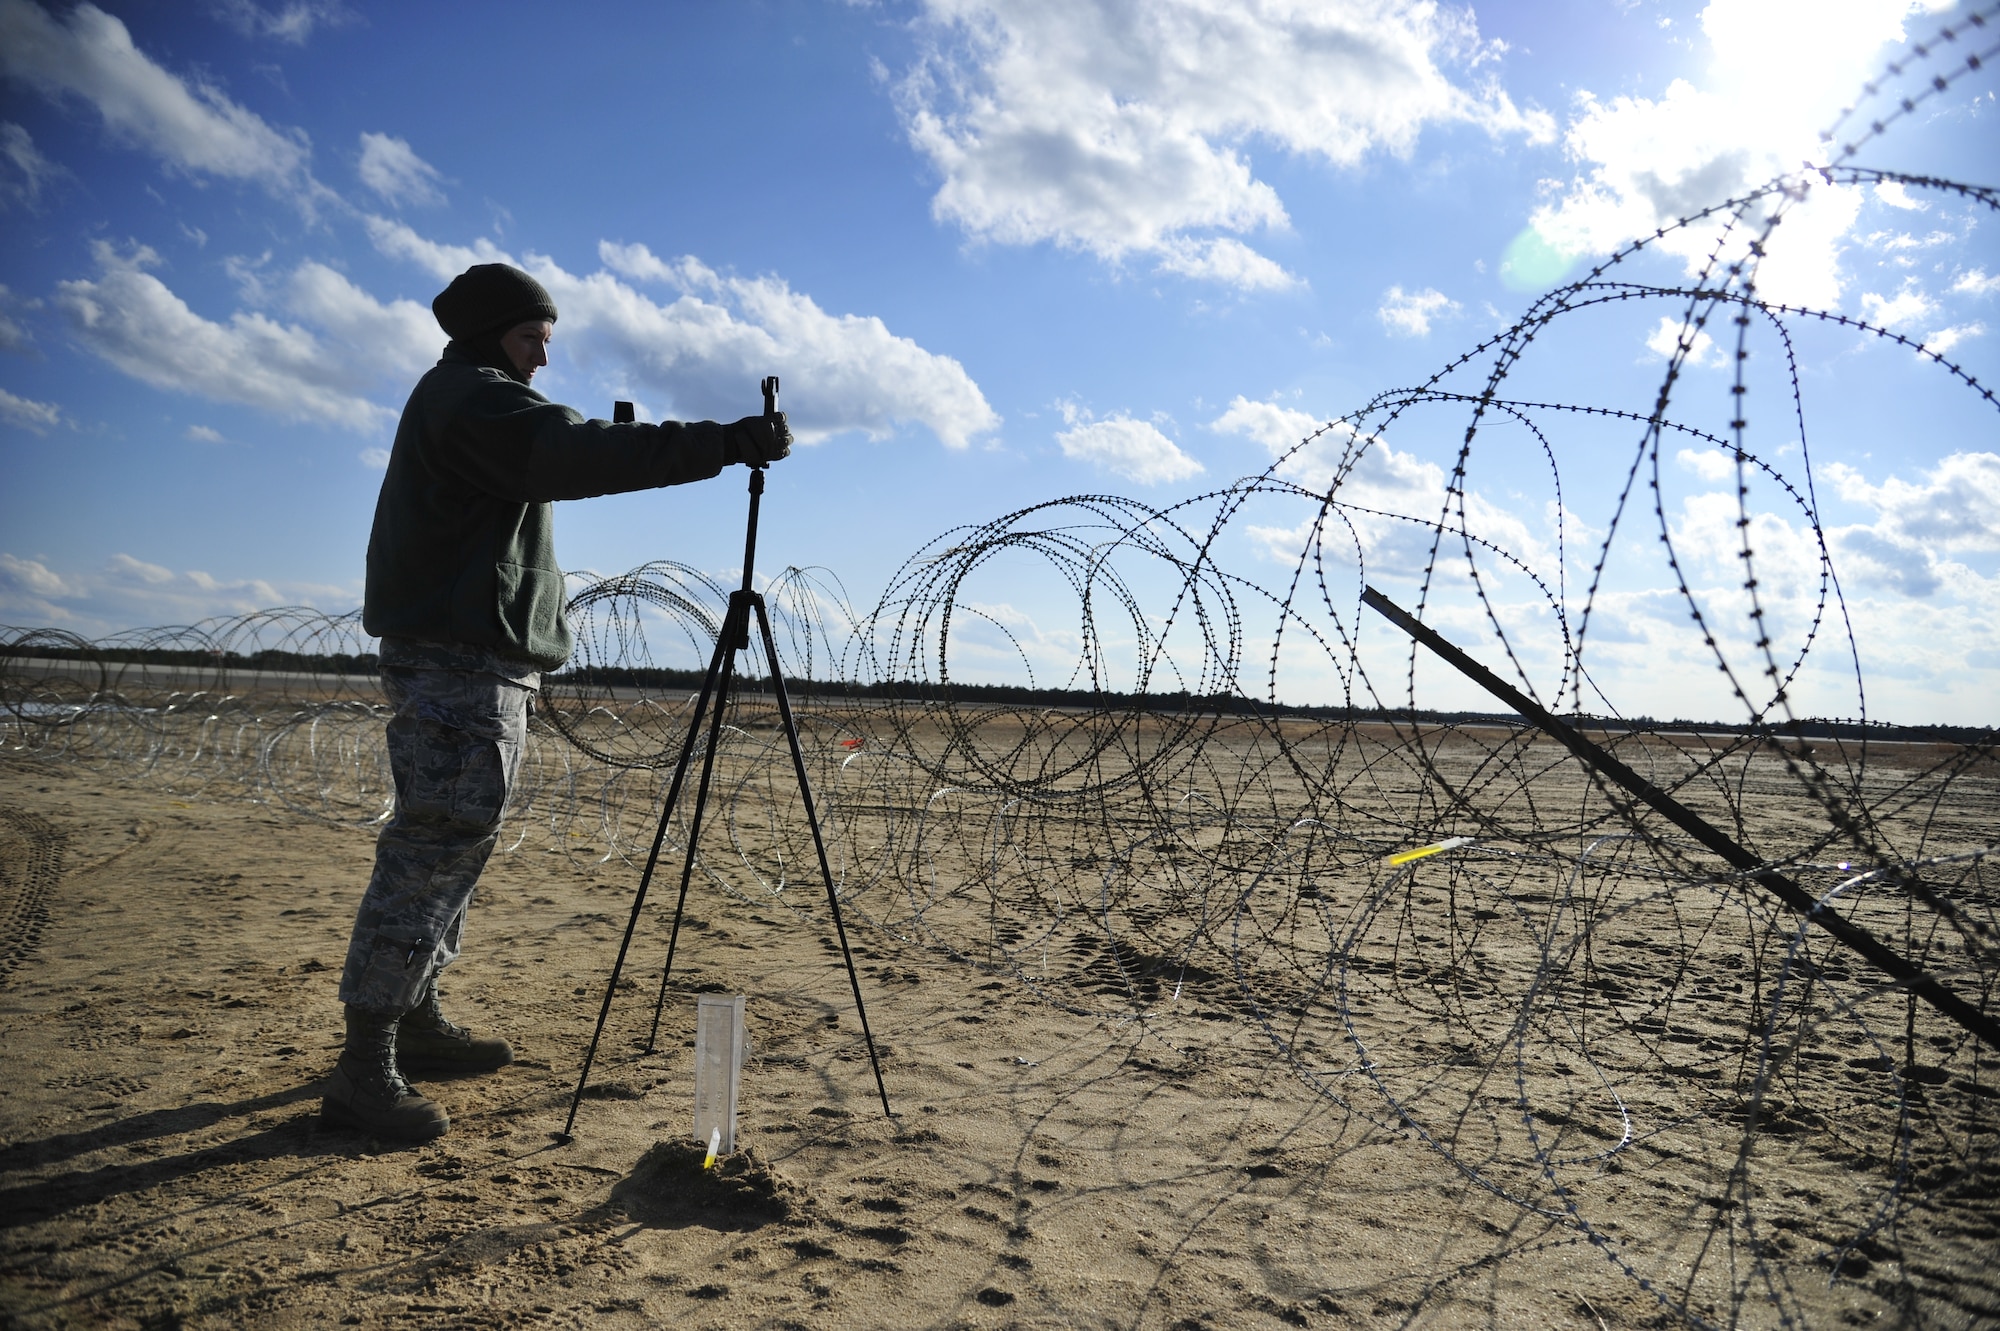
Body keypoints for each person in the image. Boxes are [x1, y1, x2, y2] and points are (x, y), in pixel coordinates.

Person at [323, 262, 790, 1141]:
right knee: (432, 845)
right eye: (533, 337)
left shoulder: (472, 399)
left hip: (475, 657)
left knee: (455, 845)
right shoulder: (472, 399)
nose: (543, 358)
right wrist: (724, 441)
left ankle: (413, 1019)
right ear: (494, 332)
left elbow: (563, 455)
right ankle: (365, 1064)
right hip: (459, 659)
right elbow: (574, 454)